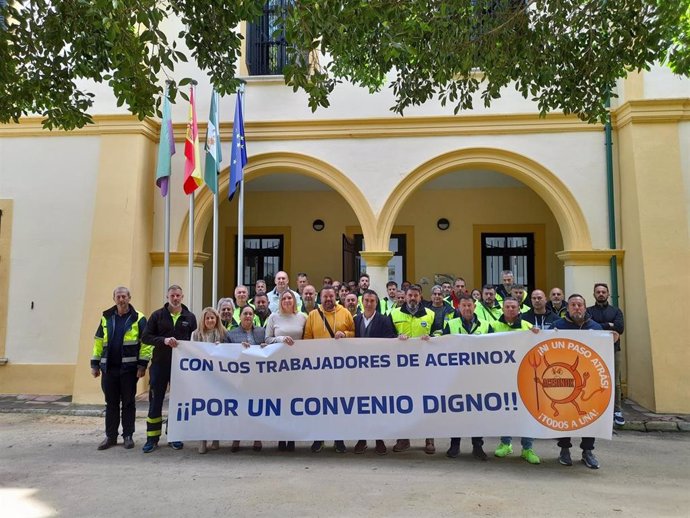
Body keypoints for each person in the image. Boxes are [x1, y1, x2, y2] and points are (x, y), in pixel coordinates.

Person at [552, 294, 607, 469]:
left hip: (588, 380)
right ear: (568, 308)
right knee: (565, 415)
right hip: (564, 381)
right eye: (573, 305)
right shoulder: (557, 327)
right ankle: (564, 449)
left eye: (580, 305)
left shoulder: (596, 328)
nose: (577, 308)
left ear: (585, 307)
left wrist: (612, 337)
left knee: (588, 416)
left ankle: (587, 451)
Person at [91, 286, 150, 450]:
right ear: (114, 298)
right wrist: (95, 364)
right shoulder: (106, 317)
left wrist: (142, 365)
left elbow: (146, 344)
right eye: (118, 296)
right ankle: (110, 437)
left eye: (124, 296)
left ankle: (128, 436)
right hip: (109, 369)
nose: (121, 299)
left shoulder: (138, 318)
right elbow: (98, 342)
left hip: (129, 370)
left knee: (129, 403)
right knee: (111, 404)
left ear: (129, 298)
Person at [141, 285, 197, 453]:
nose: (175, 298)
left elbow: (195, 340)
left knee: (178, 402)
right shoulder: (157, 316)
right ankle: (152, 438)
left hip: (181, 367)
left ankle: (174, 436)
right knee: (156, 400)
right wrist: (163, 341)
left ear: (182, 297)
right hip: (159, 364)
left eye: (178, 295)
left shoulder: (190, 317)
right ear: (167, 296)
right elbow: (146, 337)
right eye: (172, 295)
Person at [304, 285, 355, 453]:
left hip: (340, 369)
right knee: (320, 405)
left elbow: (355, 334)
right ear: (321, 298)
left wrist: (345, 334)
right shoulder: (312, 315)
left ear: (336, 297)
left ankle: (338, 438)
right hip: (319, 369)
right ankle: (319, 437)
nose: (328, 300)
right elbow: (307, 339)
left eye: (331, 297)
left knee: (338, 405)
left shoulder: (345, 313)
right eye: (325, 297)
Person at [491, 297, 541, 464]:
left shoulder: (528, 327)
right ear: (503, 309)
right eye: (507, 307)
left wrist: (537, 335)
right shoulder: (494, 326)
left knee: (527, 412)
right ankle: (505, 444)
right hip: (502, 376)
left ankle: (527, 448)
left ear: (519, 309)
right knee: (506, 410)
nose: (511, 309)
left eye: (514, 307)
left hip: (525, 376)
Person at [443, 295, 490, 460]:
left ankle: (478, 446)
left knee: (477, 412)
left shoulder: (485, 325)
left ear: (474, 306)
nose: (467, 308)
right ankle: (454, 445)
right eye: (463, 306)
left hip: (478, 377)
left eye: (469, 305)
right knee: (456, 412)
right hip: (456, 377)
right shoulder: (450, 324)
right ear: (459, 308)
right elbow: (442, 348)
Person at [390, 284, 436, 454]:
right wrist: (396, 338)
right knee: (403, 402)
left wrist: (432, 338)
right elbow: (387, 337)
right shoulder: (394, 314)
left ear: (420, 296)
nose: (412, 298)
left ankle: (429, 438)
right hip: (401, 368)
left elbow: (440, 334)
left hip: (425, 367)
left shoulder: (430, 314)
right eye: (410, 295)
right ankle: (404, 438)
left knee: (427, 402)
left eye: (416, 295)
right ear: (405, 296)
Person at [353, 290, 396, 455]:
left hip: (378, 372)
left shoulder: (384, 320)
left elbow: (390, 340)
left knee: (378, 407)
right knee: (361, 406)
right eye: (366, 300)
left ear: (376, 303)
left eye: (372, 301)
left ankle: (379, 439)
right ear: (362, 302)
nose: (369, 303)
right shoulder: (355, 320)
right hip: (359, 372)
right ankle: (362, 439)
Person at [264, 289, 306, 452]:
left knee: (295, 402)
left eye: (290, 298)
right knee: (280, 402)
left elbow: (307, 338)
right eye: (284, 298)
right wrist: (280, 339)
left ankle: (292, 438)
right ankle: (281, 436)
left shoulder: (302, 317)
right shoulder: (273, 317)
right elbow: (266, 339)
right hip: (279, 366)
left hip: (297, 366)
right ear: (280, 301)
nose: (287, 300)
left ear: (294, 301)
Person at [228, 305, 267, 453]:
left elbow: (269, 348)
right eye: (245, 313)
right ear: (240, 316)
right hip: (240, 377)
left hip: (258, 377)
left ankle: (257, 438)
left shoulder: (261, 332)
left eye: (251, 314)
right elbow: (225, 353)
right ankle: (236, 438)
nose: (248, 316)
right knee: (240, 407)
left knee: (256, 408)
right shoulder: (231, 334)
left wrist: (266, 346)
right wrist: (237, 348)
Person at [192, 307, 231, 454]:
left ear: (217, 319)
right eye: (207, 318)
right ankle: (202, 440)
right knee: (203, 409)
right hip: (202, 377)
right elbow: (191, 352)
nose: (210, 321)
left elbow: (231, 352)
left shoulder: (223, 333)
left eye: (212, 318)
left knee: (216, 408)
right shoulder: (195, 335)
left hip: (219, 377)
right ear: (203, 319)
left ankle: (215, 438)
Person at [587, 283, 625, 426]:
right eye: (598, 292)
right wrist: (609, 325)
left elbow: (620, 328)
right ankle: (595, 409)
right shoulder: (588, 311)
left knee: (614, 381)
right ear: (594, 294)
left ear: (608, 294)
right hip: (593, 351)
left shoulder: (616, 311)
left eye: (603, 291)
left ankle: (617, 411)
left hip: (613, 349)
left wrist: (599, 325)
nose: (601, 294)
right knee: (593, 381)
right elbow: (588, 325)